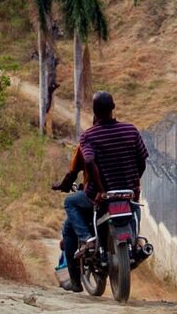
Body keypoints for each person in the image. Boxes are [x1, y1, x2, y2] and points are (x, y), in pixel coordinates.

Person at [51, 91, 147, 292]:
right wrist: (135, 183)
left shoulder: (89, 137)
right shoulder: (131, 131)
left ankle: (87, 243)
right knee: (135, 208)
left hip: (98, 196)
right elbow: (142, 159)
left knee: (70, 205)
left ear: (93, 112)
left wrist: (101, 189)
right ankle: (136, 240)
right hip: (128, 192)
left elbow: (83, 163)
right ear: (114, 107)